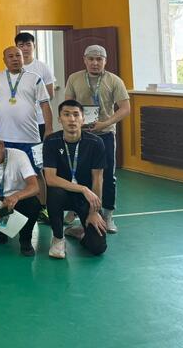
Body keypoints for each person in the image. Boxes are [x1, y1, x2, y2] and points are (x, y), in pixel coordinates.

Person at [64, 45, 130, 233]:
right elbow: (68, 104)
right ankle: (75, 210)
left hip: (105, 135)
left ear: (105, 61)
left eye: (99, 59)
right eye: (91, 59)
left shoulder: (114, 80)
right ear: (84, 60)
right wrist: (75, 122)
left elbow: (125, 108)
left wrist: (105, 123)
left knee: (107, 176)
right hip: (80, 135)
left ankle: (107, 215)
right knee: (77, 173)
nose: (95, 63)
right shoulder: (74, 78)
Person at [0, 46, 52, 215]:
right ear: (4, 60)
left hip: (30, 137)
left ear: (23, 58)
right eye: (11, 56)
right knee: (6, 174)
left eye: (18, 55)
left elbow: (45, 104)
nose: (15, 59)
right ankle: (9, 207)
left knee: (37, 173)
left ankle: (43, 208)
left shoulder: (35, 78)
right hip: (4, 138)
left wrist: (49, 129)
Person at [43, 100, 108, 259]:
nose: (72, 119)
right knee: (54, 192)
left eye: (76, 115)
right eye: (66, 115)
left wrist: (94, 212)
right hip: (63, 194)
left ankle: (80, 233)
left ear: (83, 119)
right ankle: (58, 238)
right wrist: (82, 188)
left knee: (98, 248)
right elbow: (50, 179)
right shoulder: (51, 141)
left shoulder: (96, 143)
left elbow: (98, 179)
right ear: (59, 119)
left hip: (86, 199)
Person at [15, 32, 56, 139]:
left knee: (39, 148)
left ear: (34, 46)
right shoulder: (11, 69)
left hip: (39, 119)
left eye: (28, 45)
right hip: (18, 120)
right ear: (16, 47)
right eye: (21, 45)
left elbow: (50, 95)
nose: (25, 48)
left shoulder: (43, 67)